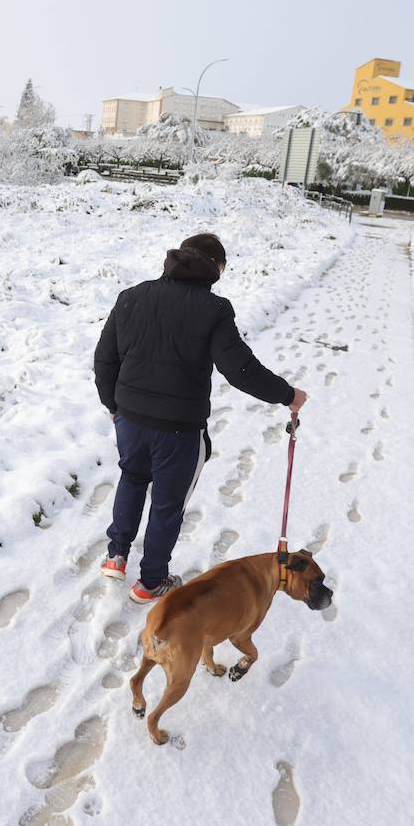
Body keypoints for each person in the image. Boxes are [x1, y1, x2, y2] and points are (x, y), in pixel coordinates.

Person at [93, 233, 308, 604]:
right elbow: (240, 369)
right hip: (178, 430)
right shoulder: (214, 308)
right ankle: (151, 581)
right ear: (214, 265)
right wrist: (287, 394)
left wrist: (112, 404)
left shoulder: (132, 297)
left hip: (129, 419)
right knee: (167, 503)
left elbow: (104, 359)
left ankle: (116, 555)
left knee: (131, 477)